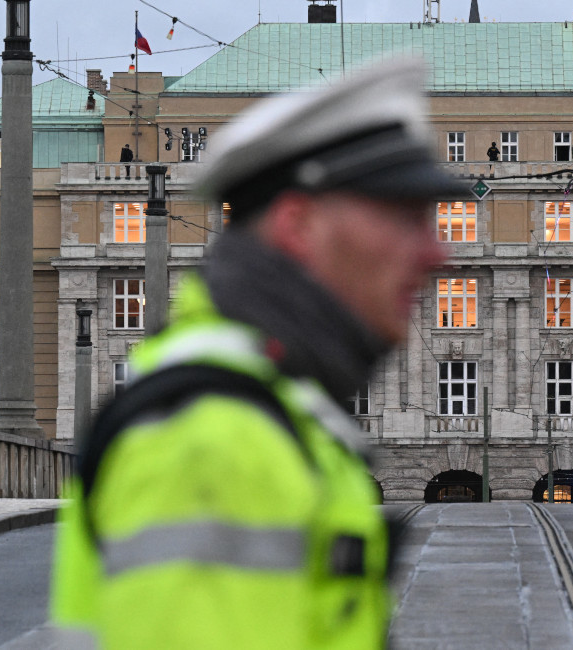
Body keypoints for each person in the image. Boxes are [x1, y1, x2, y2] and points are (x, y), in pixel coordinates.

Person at [51, 59, 466, 649]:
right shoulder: (214, 444)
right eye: (403, 218)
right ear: (299, 224)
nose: (437, 254)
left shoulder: (276, 412)